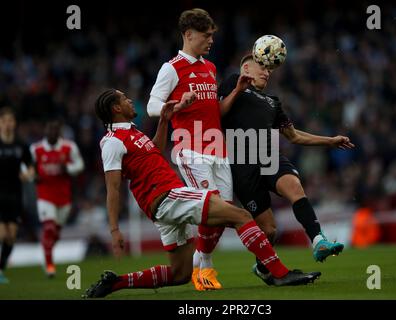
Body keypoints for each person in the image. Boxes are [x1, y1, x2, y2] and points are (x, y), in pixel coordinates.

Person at [83, 89, 321, 298]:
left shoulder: (131, 134)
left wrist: (164, 121)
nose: (130, 100)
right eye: (124, 99)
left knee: (180, 274)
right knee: (241, 216)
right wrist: (114, 230)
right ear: (116, 108)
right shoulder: (112, 142)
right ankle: (279, 273)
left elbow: (153, 150)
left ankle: (116, 283)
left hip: (163, 205)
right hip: (168, 197)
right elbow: (112, 188)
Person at [218, 54, 354, 284]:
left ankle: (318, 240)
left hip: (269, 157)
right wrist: (238, 90)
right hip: (242, 166)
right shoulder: (233, 82)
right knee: (269, 230)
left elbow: (294, 135)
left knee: (294, 185)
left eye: (269, 69)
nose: (267, 72)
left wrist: (329, 140)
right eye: (261, 67)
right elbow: (217, 115)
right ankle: (264, 267)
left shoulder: (273, 102)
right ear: (246, 68)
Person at [147, 8, 252, 291]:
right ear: (188, 34)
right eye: (206, 36)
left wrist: (237, 91)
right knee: (212, 207)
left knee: (224, 210)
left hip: (217, 148)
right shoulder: (171, 68)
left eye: (212, 36)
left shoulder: (210, 67)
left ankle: (199, 260)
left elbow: (213, 109)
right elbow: (151, 105)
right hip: (190, 148)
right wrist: (175, 106)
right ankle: (204, 271)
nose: (211, 41)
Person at [30, 118, 85, 277]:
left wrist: (67, 168)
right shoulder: (36, 149)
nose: (52, 134)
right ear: (45, 133)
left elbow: (80, 165)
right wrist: (33, 176)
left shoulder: (69, 147)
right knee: (49, 228)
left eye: (55, 131)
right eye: (49, 131)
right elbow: (27, 167)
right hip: (45, 195)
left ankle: (46, 252)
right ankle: (49, 266)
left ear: (59, 133)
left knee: (56, 234)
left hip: (64, 197)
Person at [0, 107, 34, 284]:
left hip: (14, 194)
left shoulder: (21, 145)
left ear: (14, 123)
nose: (8, 124)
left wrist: (28, 174)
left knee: (11, 236)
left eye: (10, 121)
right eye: (4, 121)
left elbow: (30, 165)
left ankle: (1, 267)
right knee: (1, 234)